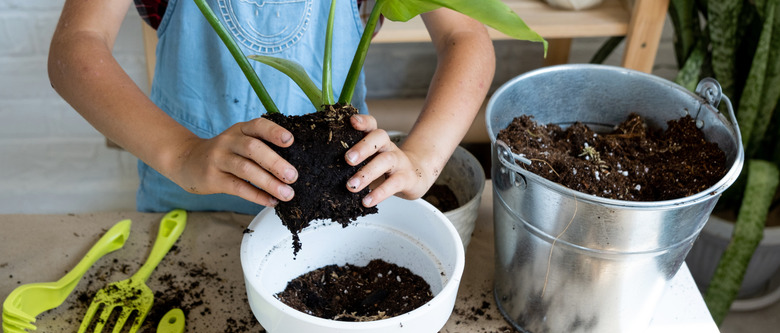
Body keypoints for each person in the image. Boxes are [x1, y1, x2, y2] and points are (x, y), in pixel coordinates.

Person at [48, 0, 495, 215]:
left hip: (332, 202)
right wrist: (183, 154)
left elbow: (465, 38)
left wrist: (422, 157)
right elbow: (76, 48)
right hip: (190, 206)